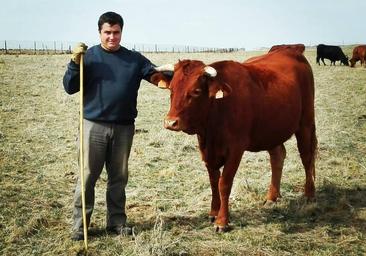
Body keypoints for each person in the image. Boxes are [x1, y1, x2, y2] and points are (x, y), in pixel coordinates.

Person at [63, 11, 159, 241]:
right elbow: (69, 87)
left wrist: (181, 72)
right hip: (92, 127)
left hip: (124, 128)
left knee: (118, 178)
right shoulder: (90, 57)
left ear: (121, 32)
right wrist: (74, 64)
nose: (112, 37)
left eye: (116, 32)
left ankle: (116, 222)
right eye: (107, 32)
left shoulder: (134, 59)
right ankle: (80, 226)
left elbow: (156, 76)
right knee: (87, 177)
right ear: (100, 33)